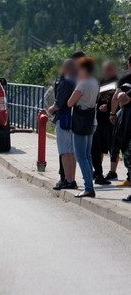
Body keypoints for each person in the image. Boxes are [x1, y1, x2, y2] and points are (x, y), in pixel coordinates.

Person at [67, 57, 99, 198]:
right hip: (92, 120)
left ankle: (88, 187)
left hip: (80, 122)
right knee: (87, 154)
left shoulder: (83, 84)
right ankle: (89, 183)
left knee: (81, 156)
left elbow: (70, 102)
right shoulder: (94, 82)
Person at [48, 59, 77, 190]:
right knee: (72, 152)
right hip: (76, 118)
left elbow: (59, 102)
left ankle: (68, 180)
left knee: (65, 152)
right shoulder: (79, 80)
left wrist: (51, 109)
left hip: (64, 117)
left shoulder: (66, 81)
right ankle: (72, 179)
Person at [92, 61, 118, 185]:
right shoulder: (100, 81)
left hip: (112, 119)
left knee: (113, 146)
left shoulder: (118, 82)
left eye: (109, 69)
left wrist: (108, 107)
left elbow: (116, 98)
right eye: (105, 69)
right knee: (99, 145)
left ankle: (113, 171)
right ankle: (98, 170)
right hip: (100, 118)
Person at [111, 55, 131, 188]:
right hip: (125, 117)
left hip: (127, 117)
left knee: (126, 147)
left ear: (128, 64)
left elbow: (120, 99)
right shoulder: (124, 79)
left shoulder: (124, 80)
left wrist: (112, 113)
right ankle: (129, 177)